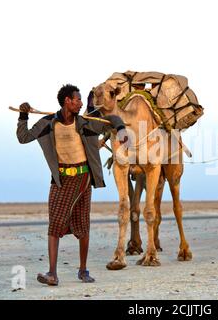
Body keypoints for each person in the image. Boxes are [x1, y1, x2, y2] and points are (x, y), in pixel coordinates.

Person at [16, 84, 127, 286]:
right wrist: (23, 116)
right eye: (77, 99)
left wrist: (120, 130)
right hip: (61, 180)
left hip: (83, 178)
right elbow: (23, 138)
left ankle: (83, 270)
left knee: (83, 226)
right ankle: (52, 274)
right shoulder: (47, 123)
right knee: (55, 225)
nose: (81, 103)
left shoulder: (85, 123)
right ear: (67, 100)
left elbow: (111, 120)